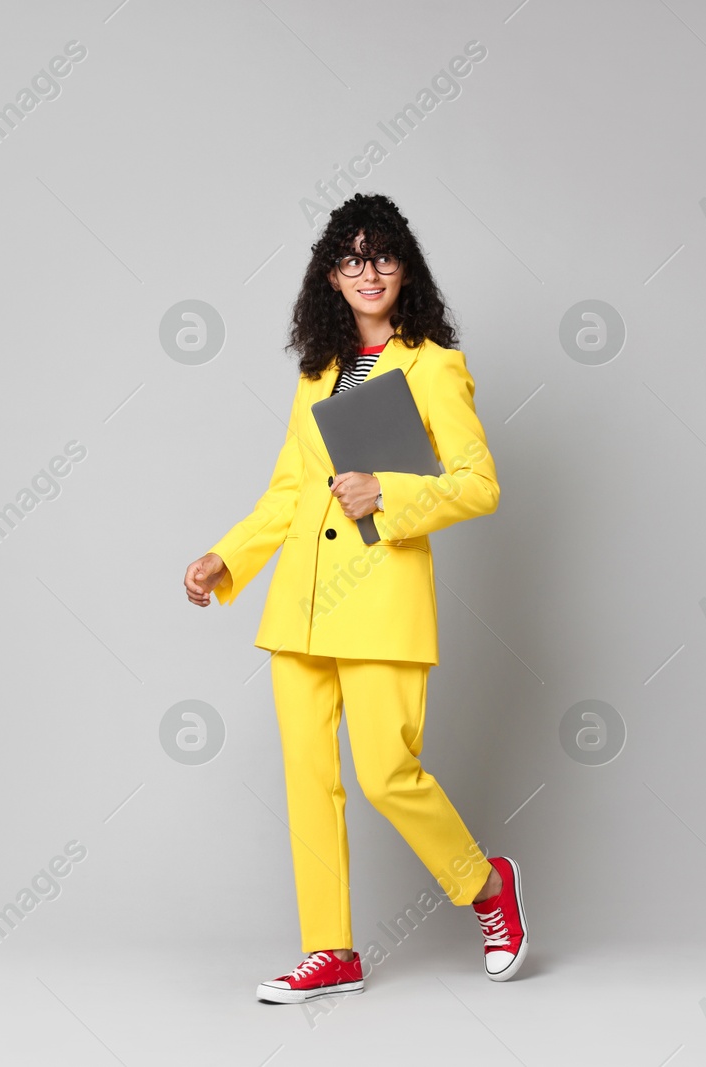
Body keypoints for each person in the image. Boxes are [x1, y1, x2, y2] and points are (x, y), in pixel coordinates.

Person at [184, 192, 528, 1004]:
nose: (367, 272)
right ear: (330, 277)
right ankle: (329, 950)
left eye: (381, 257)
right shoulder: (317, 373)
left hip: (381, 599)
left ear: (403, 268)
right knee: (309, 779)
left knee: (385, 773)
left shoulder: (435, 362)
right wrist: (224, 558)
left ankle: (486, 886)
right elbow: (287, 493)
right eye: (351, 259)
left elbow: (480, 484)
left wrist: (393, 495)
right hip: (300, 604)